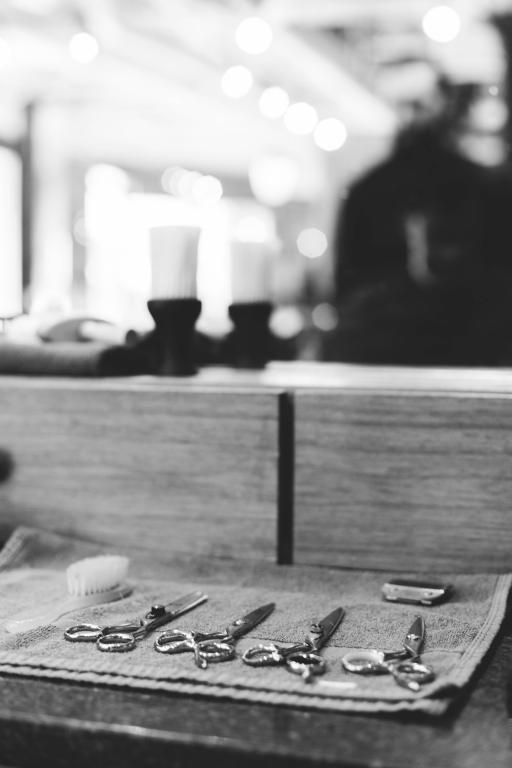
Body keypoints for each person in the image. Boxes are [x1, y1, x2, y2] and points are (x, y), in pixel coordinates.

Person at [327, 81, 512, 366]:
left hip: (384, 361)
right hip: (474, 357)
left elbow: (345, 294)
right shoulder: (483, 187)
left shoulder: (367, 191)